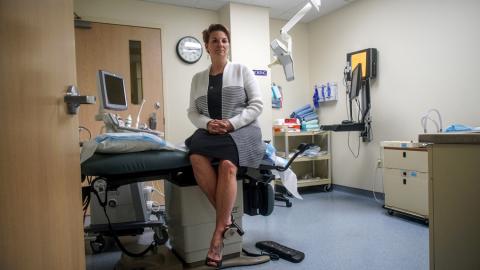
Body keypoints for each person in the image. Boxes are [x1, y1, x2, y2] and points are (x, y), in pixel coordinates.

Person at [185, 23, 265, 268]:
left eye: (224, 40)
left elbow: (257, 105)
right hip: (211, 131)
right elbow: (192, 112)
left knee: (228, 166)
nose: (220, 44)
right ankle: (227, 217)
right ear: (207, 46)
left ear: (228, 45)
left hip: (242, 130)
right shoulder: (198, 78)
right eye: (214, 41)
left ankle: (218, 234)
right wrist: (208, 124)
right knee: (195, 156)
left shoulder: (242, 71)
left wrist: (231, 123)